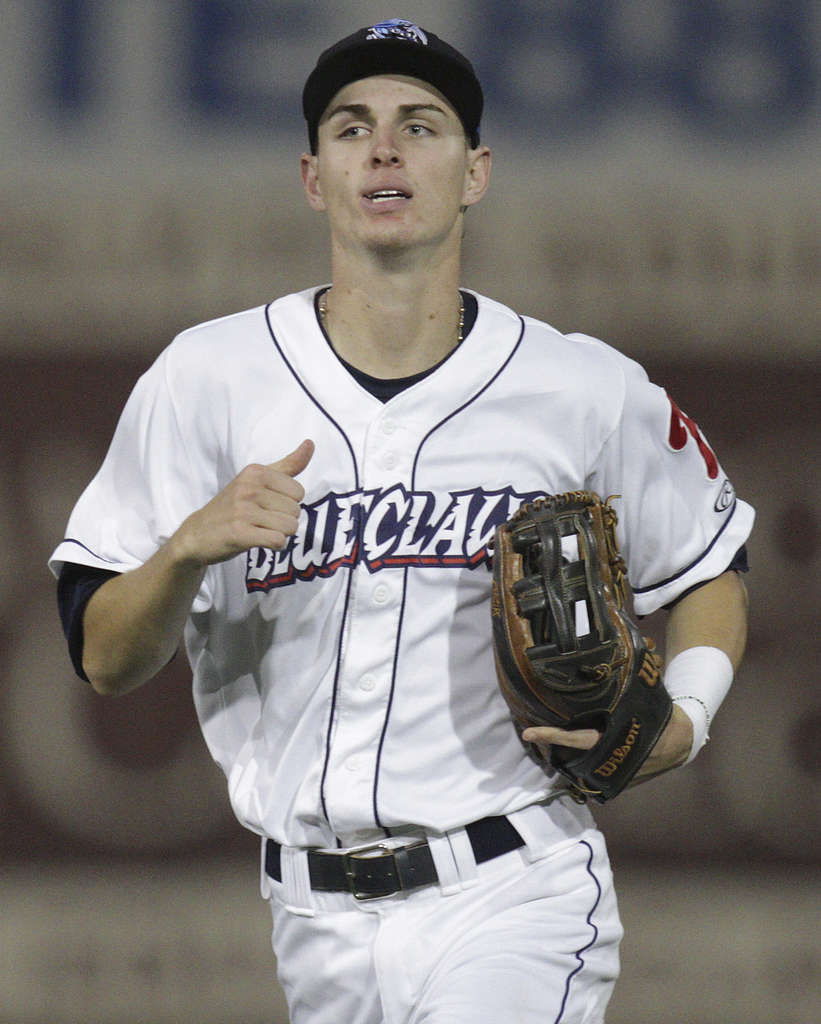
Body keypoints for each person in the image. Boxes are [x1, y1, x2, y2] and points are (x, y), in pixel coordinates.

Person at [50, 18, 753, 1024]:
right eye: (351, 126)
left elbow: (708, 564)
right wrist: (185, 548)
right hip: (311, 921)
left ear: (473, 172)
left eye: (419, 125)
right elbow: (106, 660)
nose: (383, 148)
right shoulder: (206, 381)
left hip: (515, 890)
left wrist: (685, 716)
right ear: (312, 176)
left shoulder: (576, 386)